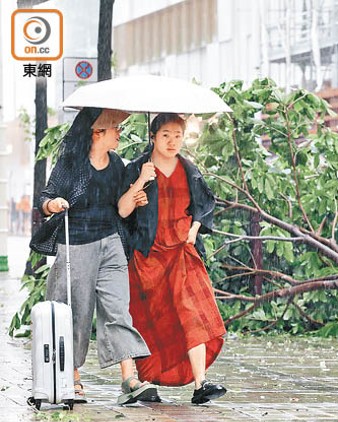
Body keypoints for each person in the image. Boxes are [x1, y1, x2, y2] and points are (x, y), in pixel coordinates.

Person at [30, 107, 160, 405]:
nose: (120, 133)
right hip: (76, 245)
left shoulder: (116, 164)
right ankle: (71, 376)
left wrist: (138, 188)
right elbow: (45, 199)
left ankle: (129, 379)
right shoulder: (72, 163)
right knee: (77, 312)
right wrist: (56, 204)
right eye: (115, 127)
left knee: (118, 309)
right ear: (96, 132)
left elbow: (122, 208)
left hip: (111, 243)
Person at [119, 113, 227, 405]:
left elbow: (203, 207)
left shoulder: (190, 170)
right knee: (152, 320)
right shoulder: (136, 169)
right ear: (152, 136)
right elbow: (122, 211)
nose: (172, 141)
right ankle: (140, 381)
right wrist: (140, 186)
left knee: (193, 312)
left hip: (181, 252)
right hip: (147, 257)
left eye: (178, 135)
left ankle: (200, 383)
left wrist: (193, 231)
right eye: (165, 134)